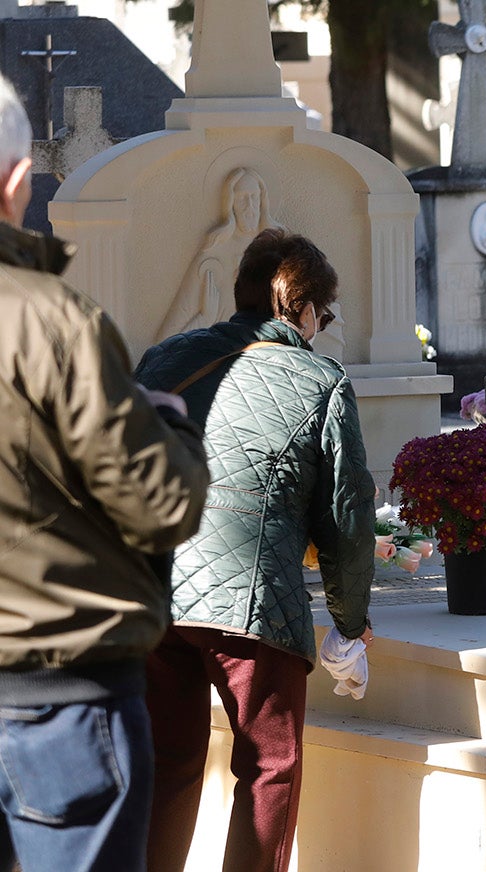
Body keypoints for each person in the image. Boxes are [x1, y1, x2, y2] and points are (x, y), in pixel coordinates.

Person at [0, 72, 209, 871]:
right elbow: (159, 501)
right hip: (58, 706)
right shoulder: (51, 320)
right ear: (20, 182)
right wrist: (171, 425)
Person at [136, 229, 375, 872]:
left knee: (167, 762)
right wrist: (350, 626)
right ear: (298, 308)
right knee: (271, 767)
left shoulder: (163, 359)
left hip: (151, 593)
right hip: (249, 602)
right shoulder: (319, 380)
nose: (323, 327)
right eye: (322, 315)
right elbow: (346, 515)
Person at [157, 167, 283, 340]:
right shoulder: (212, 257)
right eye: (242, 199)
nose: (250, 206)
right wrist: (205, 318)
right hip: (224, 359)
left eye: (254, 197)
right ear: (230, 204)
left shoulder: (279, 250)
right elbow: (166, 340)